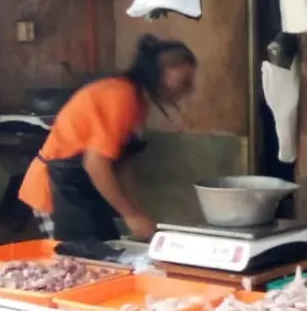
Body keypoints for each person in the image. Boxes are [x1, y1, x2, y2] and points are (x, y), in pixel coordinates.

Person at [18, 35, 198, 241]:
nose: (189, 87)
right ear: (161, 70)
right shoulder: (119, 95)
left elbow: (123, 163)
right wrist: (130, 215)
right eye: (184, 80)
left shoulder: (137, 102)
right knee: (76, 264)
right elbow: (95, 164)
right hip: (54, 190)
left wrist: (138, 213)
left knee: (105, 256)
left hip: (82, 190)